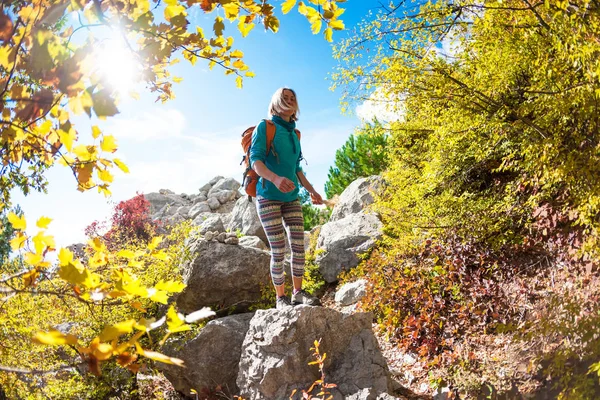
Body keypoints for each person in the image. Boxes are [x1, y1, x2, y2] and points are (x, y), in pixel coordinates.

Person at [250, 87, 324, 310]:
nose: (290, 100)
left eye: (293, 98)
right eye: (285, 98)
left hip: (291, 197)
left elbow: (297, 168)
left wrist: (311, 190)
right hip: (268, 197)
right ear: (276, 102)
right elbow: (256, 161)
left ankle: (298, 293)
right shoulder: (266, 127)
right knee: (279, 248)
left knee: (299, 245)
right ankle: (281, 298)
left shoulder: (295, 133)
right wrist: (275, 179)